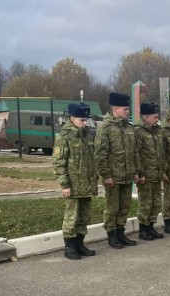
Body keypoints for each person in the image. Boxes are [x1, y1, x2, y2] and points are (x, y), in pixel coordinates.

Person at [53, 102, 98, 260]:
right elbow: (59, 162)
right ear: (72, 119)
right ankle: (69, 247)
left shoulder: (87, 135)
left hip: (86, 184)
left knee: (84, 216)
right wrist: (64, 184)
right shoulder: (64, 136)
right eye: (82, 120)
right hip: (72, 184)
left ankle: (80, 244)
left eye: (86, 120)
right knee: (71, 217)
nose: (85, 123)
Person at [95, 92, 139, 249]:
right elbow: (100, 154)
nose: (128, 112)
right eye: (125, 109)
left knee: (124, 206)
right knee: (112, 208)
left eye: (128, 109)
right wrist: (106, 175)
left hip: (127, 175)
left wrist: (135, 172)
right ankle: (111, 234)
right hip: (113, 177)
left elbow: (134, 152)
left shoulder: (128, 128)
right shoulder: (106, 128)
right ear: (115, 109)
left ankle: (121, 232)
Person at [134, 102, 167, 240]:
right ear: (146, 117)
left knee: (155, 203)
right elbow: (136, 153)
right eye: (154, 117)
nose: (157, 119)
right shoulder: (138, 131)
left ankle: (151, 227)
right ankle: (143, 229)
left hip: (156, 174)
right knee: (145, 203)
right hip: (146, 175)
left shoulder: (158, 130)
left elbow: (161, 153)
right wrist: (139, 173)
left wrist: (162, 171)